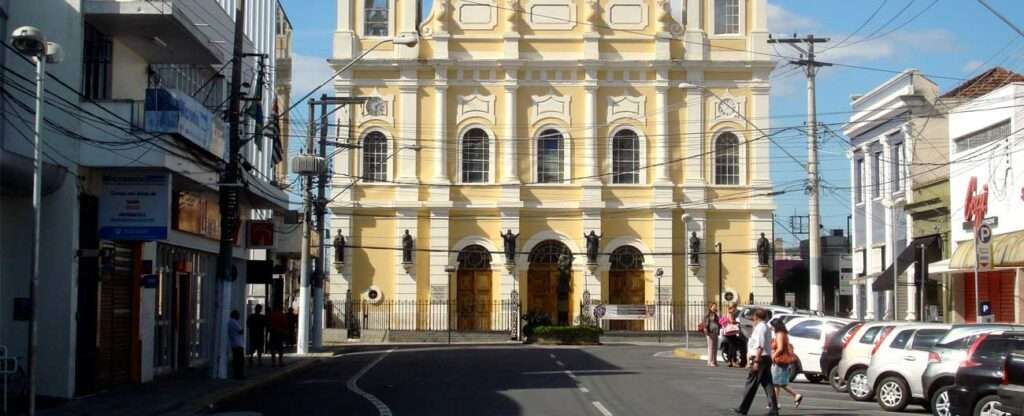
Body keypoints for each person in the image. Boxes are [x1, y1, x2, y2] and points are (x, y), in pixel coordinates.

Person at [733, 308, 778, 416]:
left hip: (760, 358)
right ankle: (773, 409)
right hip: (765, 358)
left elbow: (760, 345)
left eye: (753, 316)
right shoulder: (763, 327)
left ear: (756, 317)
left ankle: (743, 408)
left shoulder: (761, 328)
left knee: (751, 383)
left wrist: (756, 361)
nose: (752, 318)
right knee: (768, 385)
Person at [770, 319, 803, 409]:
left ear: (776, 326)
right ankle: (794, 396)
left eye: (772, 326)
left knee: (777, 383)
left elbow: (780, 348)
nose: (771, 328)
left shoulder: (780, 334)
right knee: (778, 383)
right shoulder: (782, 334)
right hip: (780, 360)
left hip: (779, 360)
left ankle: (776, 403)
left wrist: (773, 356)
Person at [720, 303, 746, 367]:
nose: (736, 309)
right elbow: (732, 321)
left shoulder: (726, 313)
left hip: (728, 332)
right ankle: (733, 361)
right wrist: (737, 322)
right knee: (733, 347)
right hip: (731, 332)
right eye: (735, 307)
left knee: (730, 347)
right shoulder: (731, 313)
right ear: (732, 307)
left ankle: (729, 361)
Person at [702, 302, 721, 367]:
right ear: (710, 307)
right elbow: (705, 323)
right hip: (710, 332)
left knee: (715, 347)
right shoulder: (708, 314)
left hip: (715, 332)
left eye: (715, 306)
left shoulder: (716, 314)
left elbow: (719, 322)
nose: (715, 307)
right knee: (711, 347)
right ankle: (710, 362)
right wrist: (706, 331)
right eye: (714, 306)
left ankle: (714, 361)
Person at [228, 310, 245, 379]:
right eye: (238, 315)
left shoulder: (230, 322)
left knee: (236, 360)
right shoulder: (234, 322)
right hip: (238, 344)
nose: (239, 316)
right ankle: (239, 375)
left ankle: (236, 374)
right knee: (239, 361)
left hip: (234, 343)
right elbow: (240, 331)